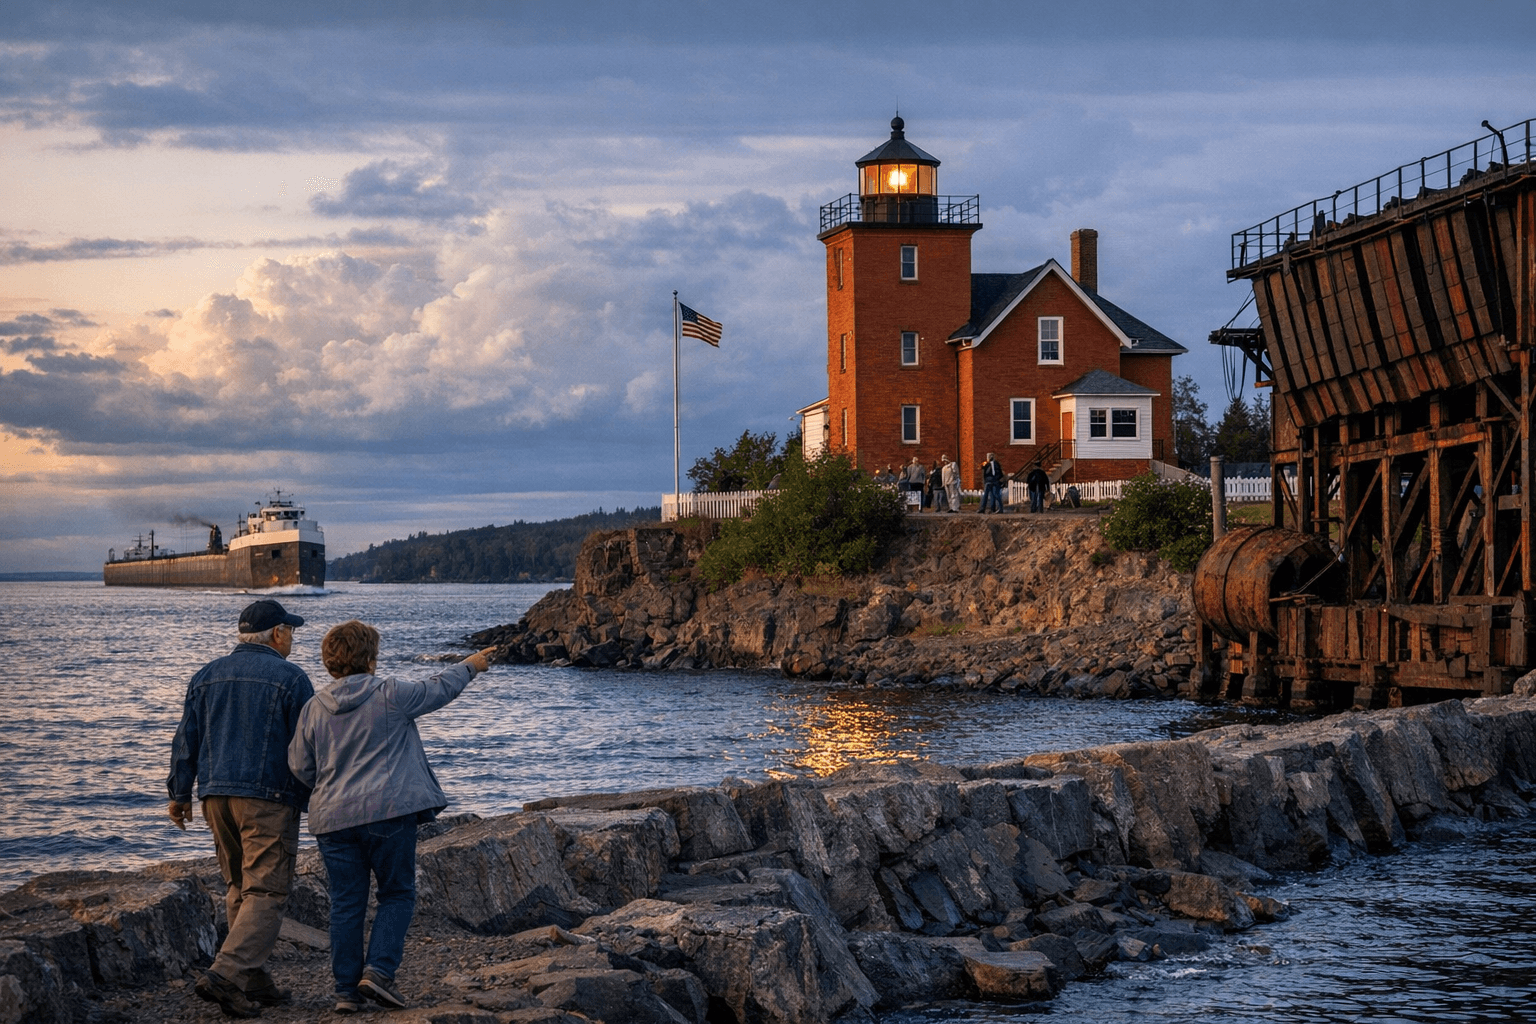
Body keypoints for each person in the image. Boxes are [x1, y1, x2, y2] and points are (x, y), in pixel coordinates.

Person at [289, 621, 497, 1014]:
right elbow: (437, 689)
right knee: (397, 893)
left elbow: (300, 766)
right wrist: (470, 666)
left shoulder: (313, 708)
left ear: (329, 662)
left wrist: (331, 786)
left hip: (332, 819)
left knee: (346, 903)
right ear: (370, 659)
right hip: (387, 813)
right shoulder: (390, 693)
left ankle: (346, 991)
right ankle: (379, 972)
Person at [168, 599, 314, 1019]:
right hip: (267, 797)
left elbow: (186, 739)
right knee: (266, 891)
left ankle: (252, 981)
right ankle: (226, 974)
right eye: (290, 631)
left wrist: (179, 794)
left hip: (215, 796)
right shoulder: (291, 678)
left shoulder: (206, 675)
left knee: (238, 885)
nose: (292, 638)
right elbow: (309, 744)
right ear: (277, 634)